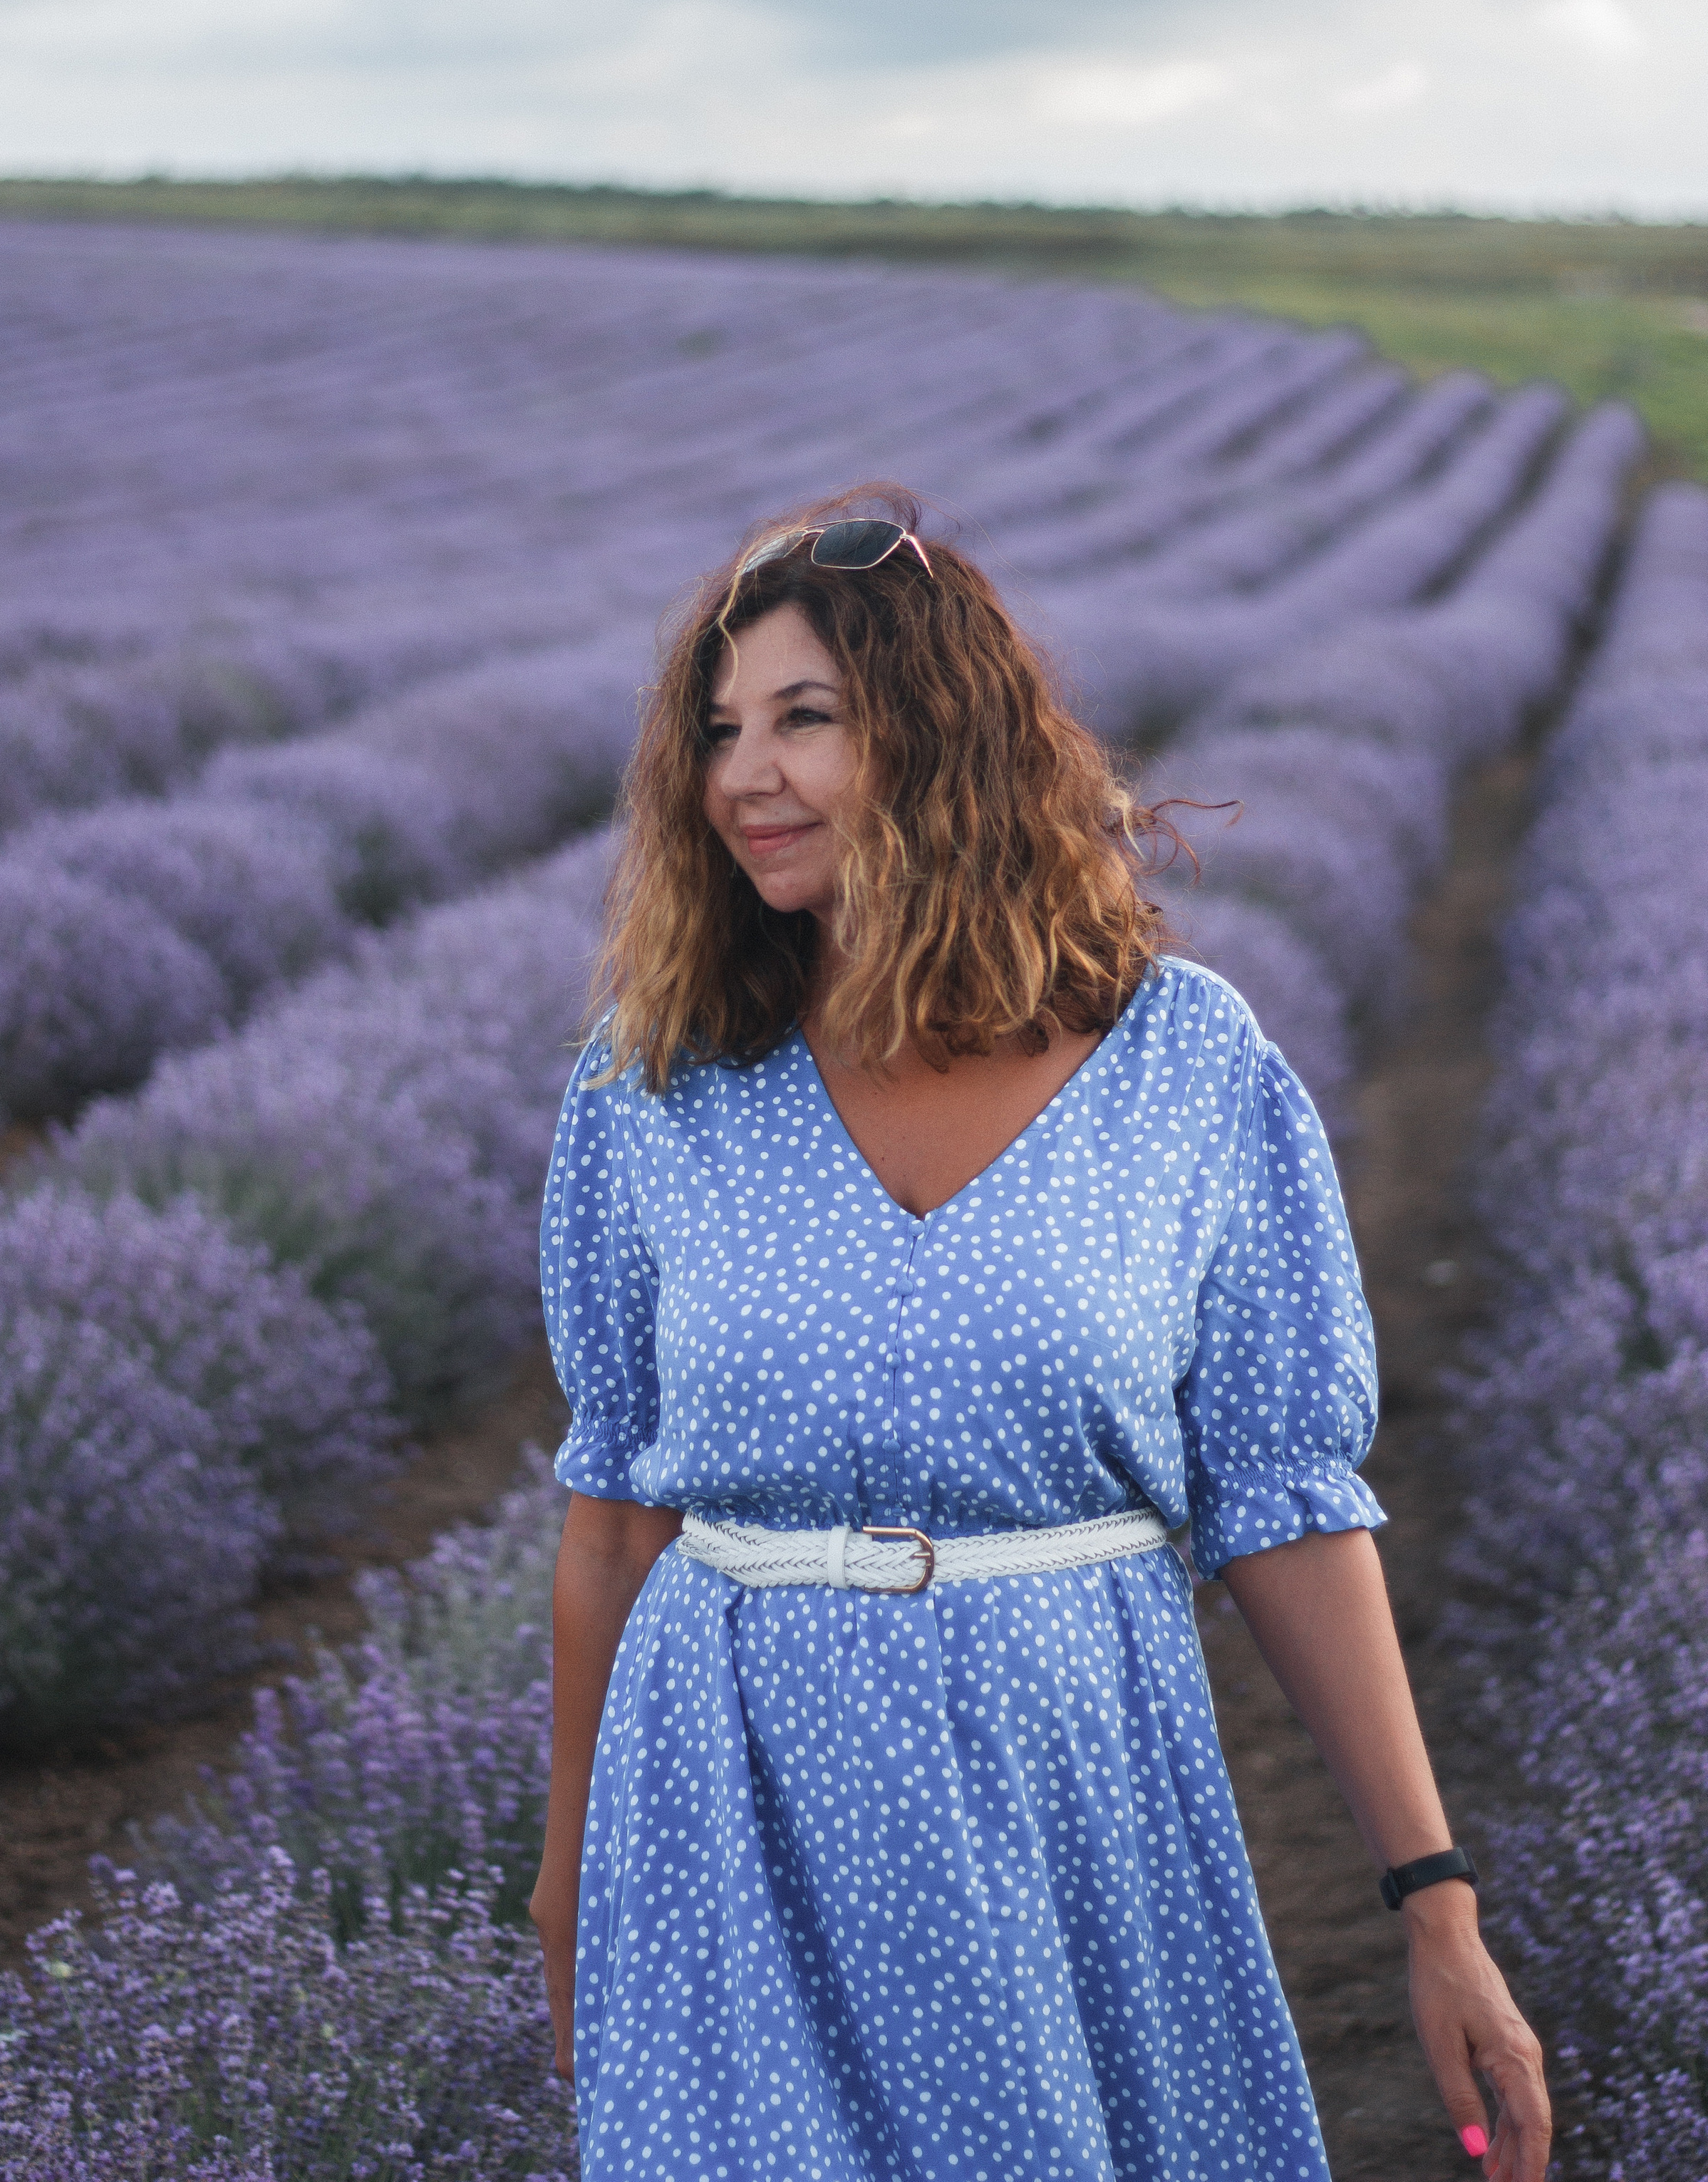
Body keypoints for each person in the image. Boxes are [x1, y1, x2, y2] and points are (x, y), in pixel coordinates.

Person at [530, 492, 1551, 2182]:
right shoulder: (656, 1082)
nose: (742, 778)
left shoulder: (1181, 1068)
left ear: (938, 738)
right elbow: (615, 1522)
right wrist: (568, 1874)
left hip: (1068, 1806)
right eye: (715, 732)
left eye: (802, 719)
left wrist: (1431, 1903)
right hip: (725, 1814)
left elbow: (1284, 1504)